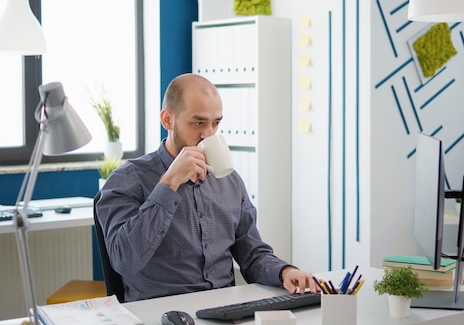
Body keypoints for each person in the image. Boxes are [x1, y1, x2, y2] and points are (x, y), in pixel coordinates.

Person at [96, 73, 320, 302]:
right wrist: (169, 183)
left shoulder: (229, 181)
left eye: (216, 123)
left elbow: (252, 254)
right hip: (162, 317)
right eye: (198, 122)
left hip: (225, 312)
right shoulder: (128, 180)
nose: (208, 134)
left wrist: (284, 272)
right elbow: (124, 260)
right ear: (167, 120)